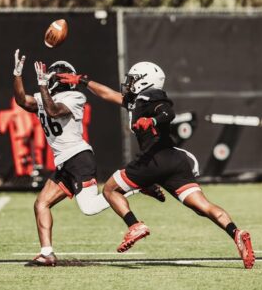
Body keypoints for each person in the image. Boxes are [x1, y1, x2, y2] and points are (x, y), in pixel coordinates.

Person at [57, 61, 255, 269]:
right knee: (202, 206)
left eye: (133, 79)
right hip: (173, 161)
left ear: (144, 81)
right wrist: (83, 81)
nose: (128, 83)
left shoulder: (150, 96)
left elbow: (168, 113)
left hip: (152, 161)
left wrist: (152, 121)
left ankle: (135, 224)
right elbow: (107, 94)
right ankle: (236, 233)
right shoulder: (136, 101)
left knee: (110, 189)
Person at [12, 50, 165, 266]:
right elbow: (21, 101)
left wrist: (43, 85)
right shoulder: (44, 95)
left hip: (78, 158)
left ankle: (136, 187)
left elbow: (53, 111)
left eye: (51, 78)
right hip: (64, 162)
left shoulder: (74, 97)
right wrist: (17, 73)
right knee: (41, 204)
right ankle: (47, 253)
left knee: (90, 208)